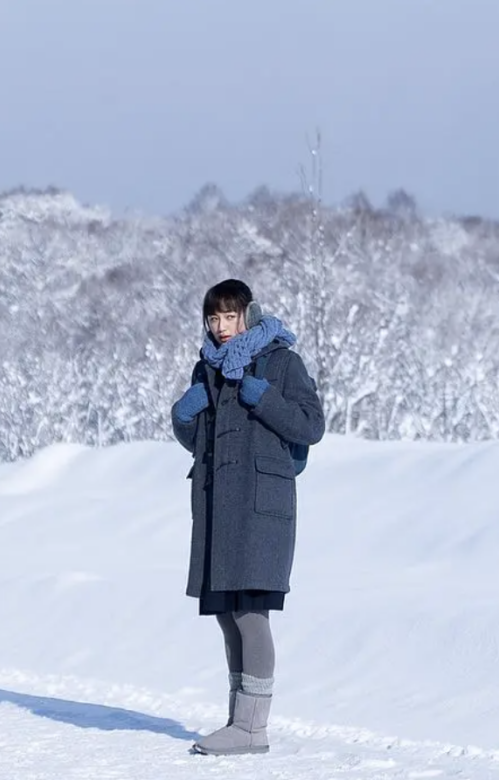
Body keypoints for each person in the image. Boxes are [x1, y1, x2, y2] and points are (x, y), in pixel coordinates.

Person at [170, 278, 325, 756]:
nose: (221, 326)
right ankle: (238, 720)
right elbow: (201, 440)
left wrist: (263, 396)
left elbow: (311, 426)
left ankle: (252, 728)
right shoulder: (208, 368)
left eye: (230, 316)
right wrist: (184, 418)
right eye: (213, 317)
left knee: (250, 614)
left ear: (249, 314)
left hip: (260, 507)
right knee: (226, 614)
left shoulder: (281, 361)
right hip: (218, 505)